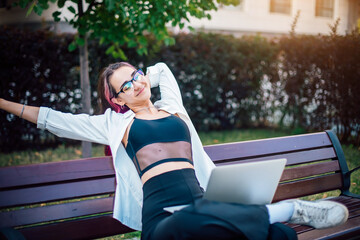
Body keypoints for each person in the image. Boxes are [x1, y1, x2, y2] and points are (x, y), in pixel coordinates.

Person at [0, 62, 349, 240]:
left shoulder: (173, 107)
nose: (136, 83)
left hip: (204, 202)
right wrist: (4, 103)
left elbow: (163, 69)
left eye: (136, 75)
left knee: (280, 236)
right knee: (187, 223)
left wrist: (145, 76)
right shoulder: (115, 124)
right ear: (116, 99)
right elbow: (52, 119)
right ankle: (285, 210)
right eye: (125, 85)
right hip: (162, 221)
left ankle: (277, 221)